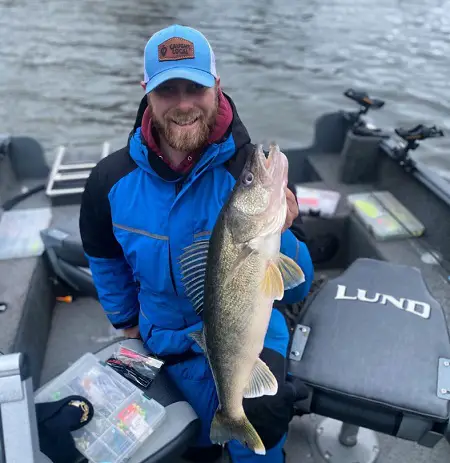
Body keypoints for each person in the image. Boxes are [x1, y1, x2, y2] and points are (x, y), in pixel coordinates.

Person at [79, 24, 314, 463]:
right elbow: (103, 257)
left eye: (196, 87)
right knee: (157, 443)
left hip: (251, 332)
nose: (184, 104)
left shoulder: (251, 170)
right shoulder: (109, 180)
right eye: (169, 90)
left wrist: (281, 232)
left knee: (263, 418)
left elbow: (298, 289)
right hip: (160, 334)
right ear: (146, 92)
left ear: (217, 87)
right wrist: (126, 321)